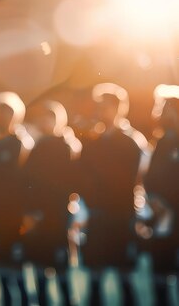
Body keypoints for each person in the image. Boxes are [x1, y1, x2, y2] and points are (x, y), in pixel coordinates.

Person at [79, 83, 146, 269]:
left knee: (124, 275)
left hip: (120, 217)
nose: (100, 111)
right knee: (94, 274)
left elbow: (132, 180)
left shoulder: (130, 142)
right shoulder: (93, 142)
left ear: (118, 109)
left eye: (105, 106)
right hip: (96, 217)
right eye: (98, 106)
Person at [23, 101, 82, 268]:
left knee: (59, 261)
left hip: (57, 213)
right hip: (39, 214)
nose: (44, 122)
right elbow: (30, 180)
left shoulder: (66, 146)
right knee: (40, 261)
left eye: (49, 118)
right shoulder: (39, 145)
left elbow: (69, 183)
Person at [0, 92, 34, 266]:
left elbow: (27, 181)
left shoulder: (21, 144)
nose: (2, 116)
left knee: (15, 268)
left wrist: (26, 212)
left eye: (7, 112)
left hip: (13, 216)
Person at [142, 84, 179, 273]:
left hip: (172, 213)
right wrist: (156, 202)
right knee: (162, 271)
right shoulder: (162, 142)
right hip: (162, 217)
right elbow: (150, 178)